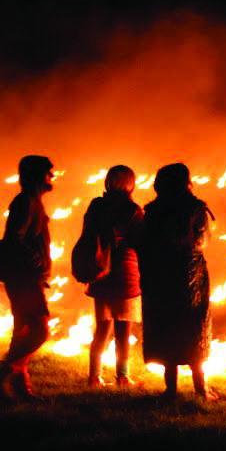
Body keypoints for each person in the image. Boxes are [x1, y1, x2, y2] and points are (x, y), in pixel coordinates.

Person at [137, 163, 216, 401]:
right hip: (188, 275)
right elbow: (201, 242)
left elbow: (144, 241)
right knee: (193, 326)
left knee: (166, 326)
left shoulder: (153, 210)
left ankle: (171, 390)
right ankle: (201, 389)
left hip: (158, 274)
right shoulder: (196, 209)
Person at [0, 155, 55, 400]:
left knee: (23, 331)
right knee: (39, 329)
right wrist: (36, 262)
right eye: (48, 172)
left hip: (26, 277)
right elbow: (15, 237)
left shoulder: (32, 201)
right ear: (37, 176)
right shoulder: (25, 202)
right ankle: (3, 373)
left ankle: (19, 388)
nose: (52, 176)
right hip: (25, 278)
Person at [79, 165, 144, 387]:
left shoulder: (97, 206)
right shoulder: (133, 209)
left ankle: (94, 376)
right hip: (126, 274)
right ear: (129, 184)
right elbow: (140, 241)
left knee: (102, 328)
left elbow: (87, 233)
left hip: (101, 274)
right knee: (123, 331)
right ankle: (123, 377)